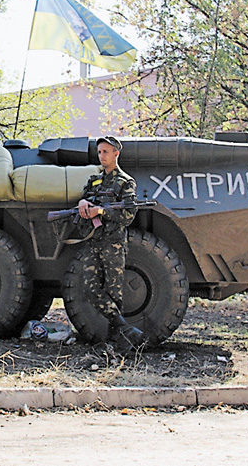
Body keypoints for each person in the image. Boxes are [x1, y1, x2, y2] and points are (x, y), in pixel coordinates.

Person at [76, 135, 146, 349]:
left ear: (116, 153)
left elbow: (128, 215)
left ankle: (114, 341)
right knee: (90, 288)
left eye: (105, 151)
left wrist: (102, 211)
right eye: (99, 152)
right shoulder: (95, 180)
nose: (102, 156)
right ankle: (124, 328)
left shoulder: (125, 182)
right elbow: (84, 198)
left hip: (113, 243)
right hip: (93, 241)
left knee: (114, 293)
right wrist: (82, 203)